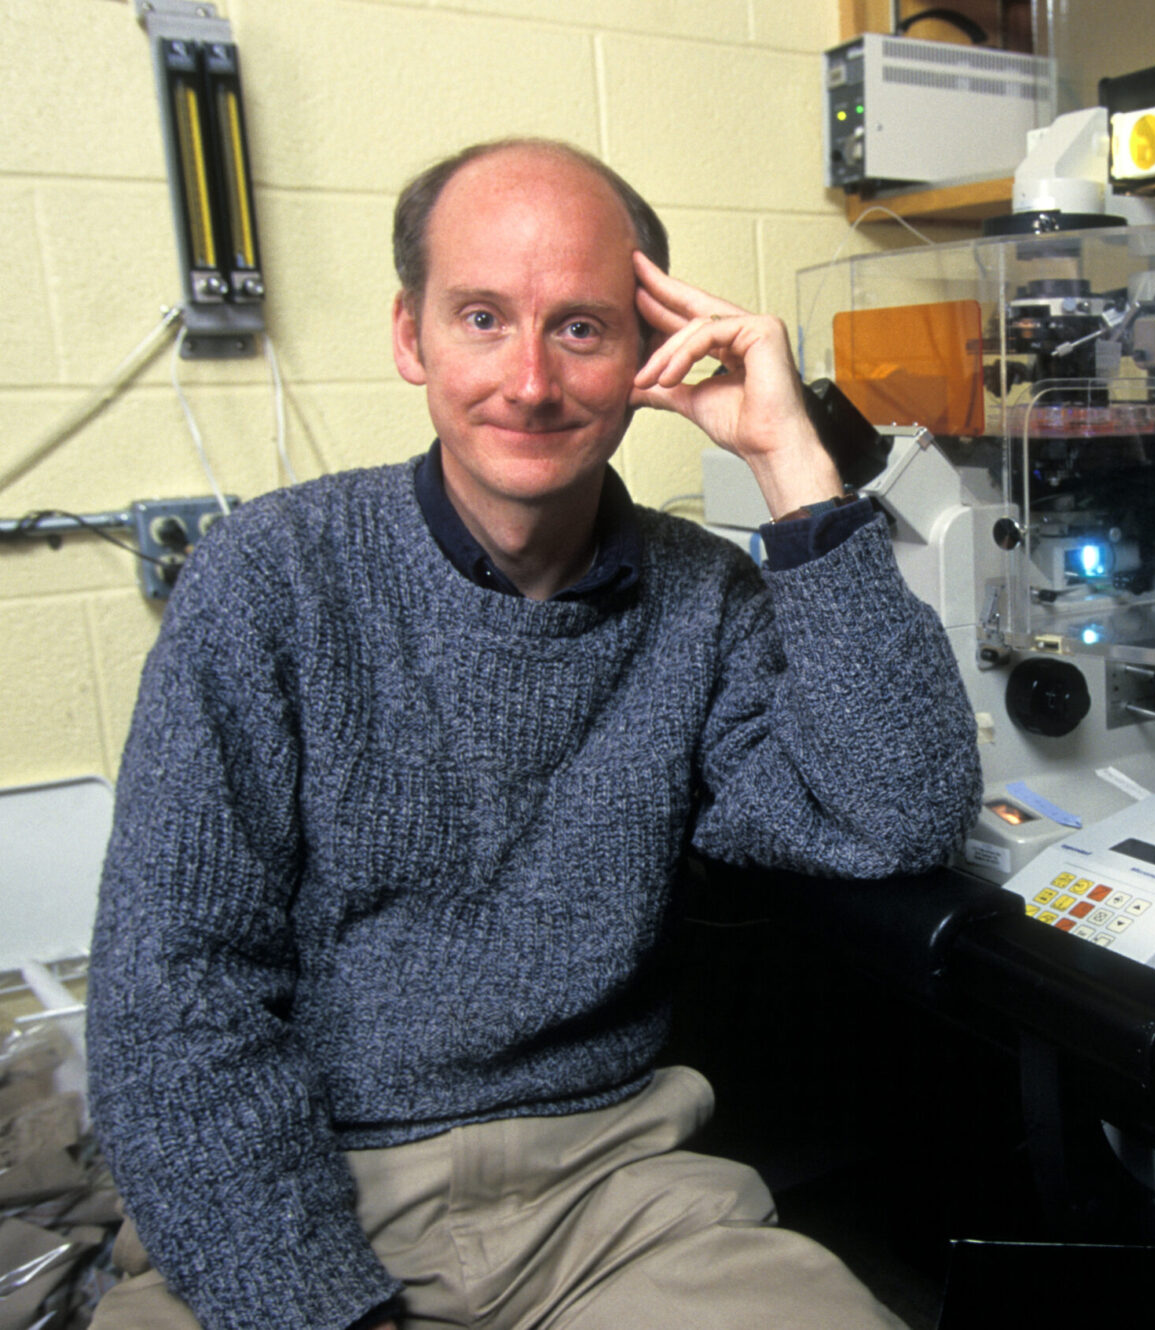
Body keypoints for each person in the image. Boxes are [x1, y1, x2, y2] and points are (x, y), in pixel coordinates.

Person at [84, 138, 981, 1330]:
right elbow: (171, 1002)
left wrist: (792, 466)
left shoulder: (704, 602)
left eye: (579, 327)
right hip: (304, 1183)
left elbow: (902, 810)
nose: (529, 382)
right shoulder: (271, 577)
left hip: (607, 1194)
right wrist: (324, 1308)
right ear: (411, 337)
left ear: (650, 352)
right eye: (480, 318)